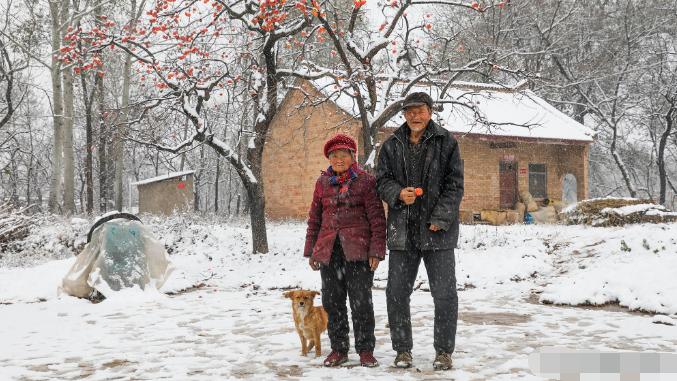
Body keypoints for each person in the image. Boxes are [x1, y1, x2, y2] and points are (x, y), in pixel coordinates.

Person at [375, 92, 464, 370]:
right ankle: (402, 350)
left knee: (445, 294)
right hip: (402, 232)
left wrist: (441, 216)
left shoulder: (446, 142)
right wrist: (398, 193)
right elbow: (381, 181)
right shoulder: (391, 145)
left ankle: (443, 352)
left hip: (437, 232)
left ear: (430, 111)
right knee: (397, 293)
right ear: (404, 114)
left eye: (420, 110)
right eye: (410, 111)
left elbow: (455, 184)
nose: (415, 116)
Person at [304, 134, 387, 368]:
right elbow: (314, 219)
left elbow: (377, 219)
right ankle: (339, 349)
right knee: (332, 301)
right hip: (329, 252)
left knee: (361, 302)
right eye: (333, 155)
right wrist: (312, 250)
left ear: (353, 156)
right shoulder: (322, 183)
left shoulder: (366, 181)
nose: (338, 159)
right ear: (328, 158)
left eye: (343, 154)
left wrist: (376, 251)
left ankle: (365, 350)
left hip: (358, 252)